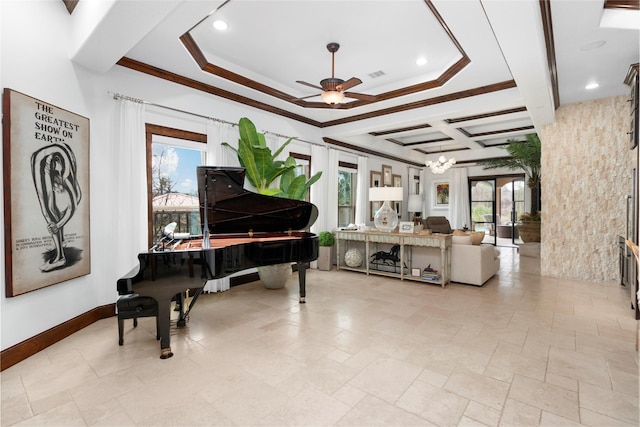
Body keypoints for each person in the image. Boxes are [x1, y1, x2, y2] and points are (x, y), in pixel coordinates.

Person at [31, 143, 82, 272]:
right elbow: (73, 206)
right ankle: (60, 246)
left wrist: (58, 224)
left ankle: (59, 257)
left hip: (57, 152)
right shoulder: (65, 177)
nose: (56, 189)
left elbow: (73, 205)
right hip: (44, 158)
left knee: (51, 211)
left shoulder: (67, 177)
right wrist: (59, 224)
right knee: (48, 210)